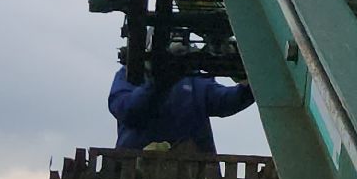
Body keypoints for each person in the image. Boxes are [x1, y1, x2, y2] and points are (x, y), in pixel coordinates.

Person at [108, 60, 255, 154]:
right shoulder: (131, 74)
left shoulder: (193, 78)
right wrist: (159, 84)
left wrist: (252, 84)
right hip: (136, 177)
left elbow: (225, 101)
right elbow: (128, 110)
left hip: (193, 177)